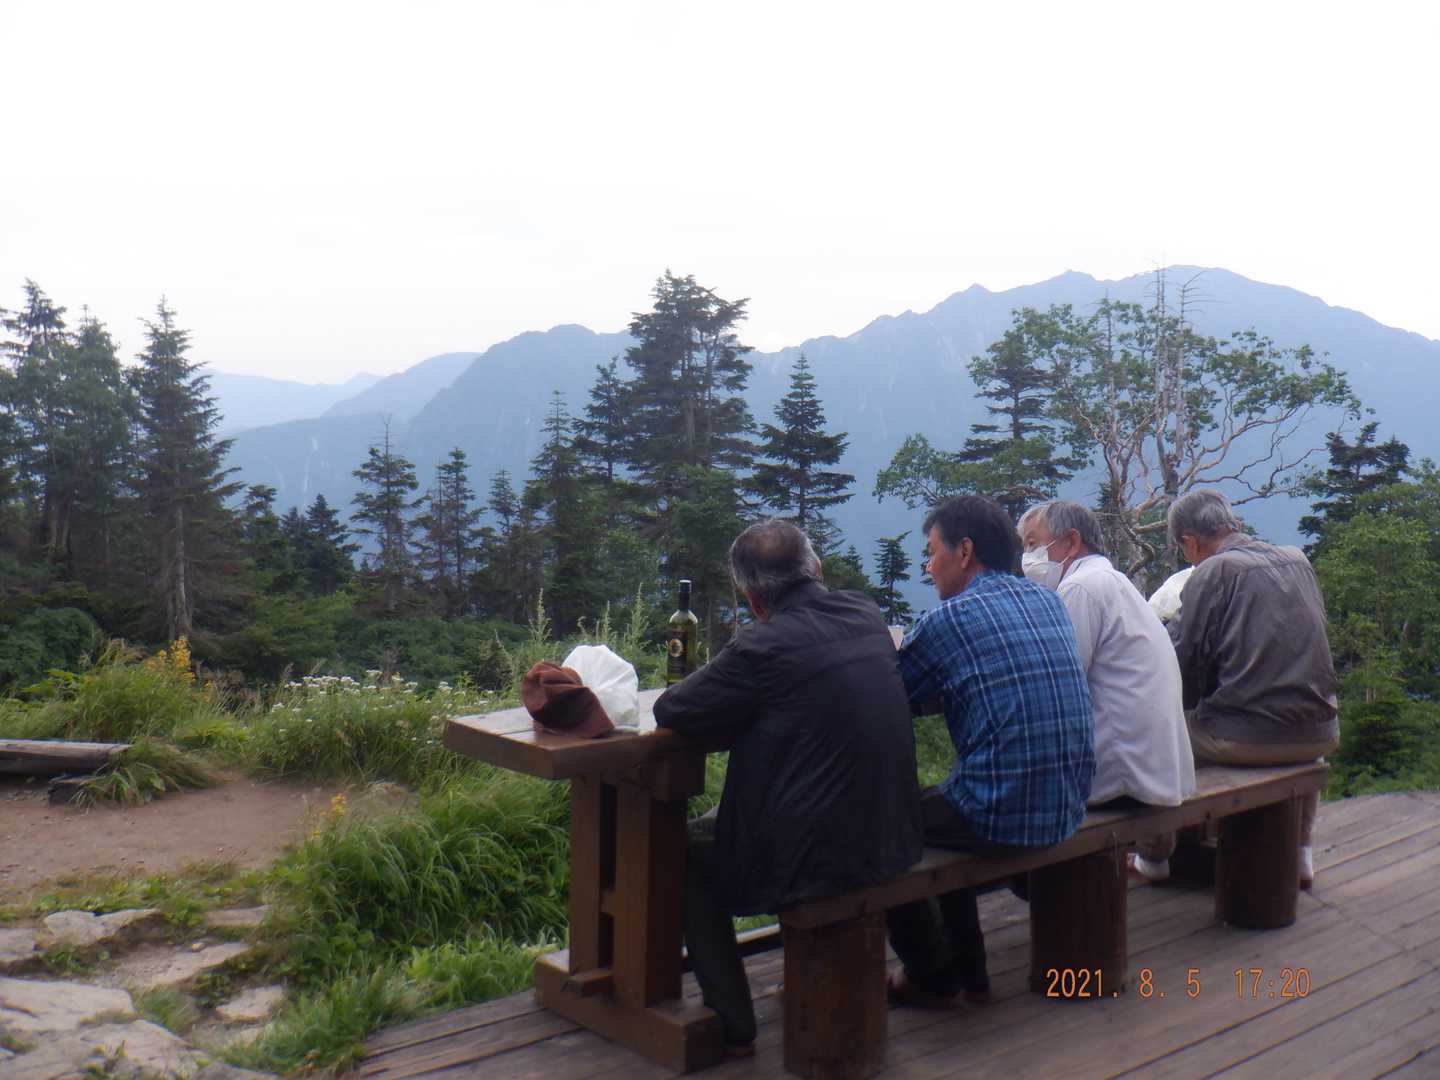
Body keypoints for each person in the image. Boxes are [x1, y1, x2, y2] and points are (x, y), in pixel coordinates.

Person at [654, 519, 924, 1050]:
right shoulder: (865, 613)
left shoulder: (761, 646)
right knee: (821, 805)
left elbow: (673, 708)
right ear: (816, 569)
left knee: (677, 848)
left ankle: (731, 1021)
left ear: (752, 599)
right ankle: (933, 966)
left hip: (816, 860)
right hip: (895, 832)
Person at [887, 496, 1094, 1007]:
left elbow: (888, 694)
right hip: (1068, 803)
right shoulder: (1047, 601)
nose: (928, 566)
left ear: (964, 551)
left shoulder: (950, 619)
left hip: (1004, 812)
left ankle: (933, 975)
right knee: (951, 798)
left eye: (931, 553)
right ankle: (970, 975)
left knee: (880, 823)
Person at [1165, 488, 1339, 887]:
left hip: (1245, 740)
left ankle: (1155, 855)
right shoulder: (1297, 560)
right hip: (1321, 733)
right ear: (1233, 524)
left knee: (1164, 727)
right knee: (1290, 721)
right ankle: (1301, 852)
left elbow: (1183, 661)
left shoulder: (1213, 571)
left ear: (1190, 541)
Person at [1017, 500, 1195, 882]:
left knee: (1017, 797)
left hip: (1122, 771)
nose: (1027, 557)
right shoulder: (1111, 580)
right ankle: (1152, 860)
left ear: (1071, 542)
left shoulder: (1080, 588)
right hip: (1155, 761)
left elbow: (1062, 685)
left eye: (1033, 544)